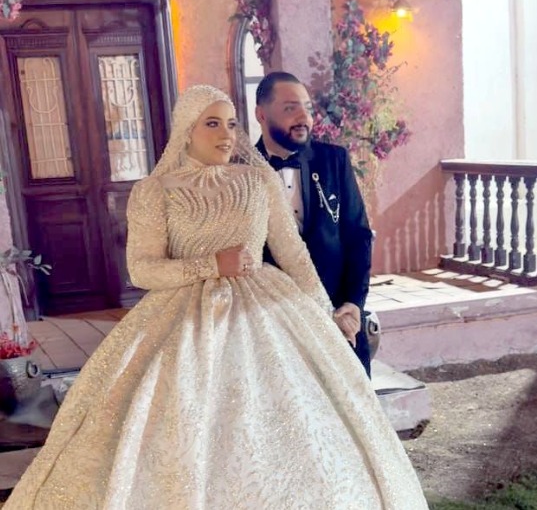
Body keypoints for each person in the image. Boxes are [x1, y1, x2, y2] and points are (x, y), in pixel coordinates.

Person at [5, 85, 428, 509]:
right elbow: (143, 269)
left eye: (230, 124)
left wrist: (325, 315)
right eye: (212, 123)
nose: (226, 134)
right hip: (182, 322)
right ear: (187, 130)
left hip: (269, 312)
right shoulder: (155, 191)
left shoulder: (258, 181)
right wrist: (211, 265)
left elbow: (295, 256)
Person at [255, 71, 374, 375]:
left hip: (335, 312)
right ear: (261, 115)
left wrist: (353, 302)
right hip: (272, 322)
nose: (303, 118)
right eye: (290, 108)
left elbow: (357, 236)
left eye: (307, 108)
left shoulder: (334, 160)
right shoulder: (241, 171)